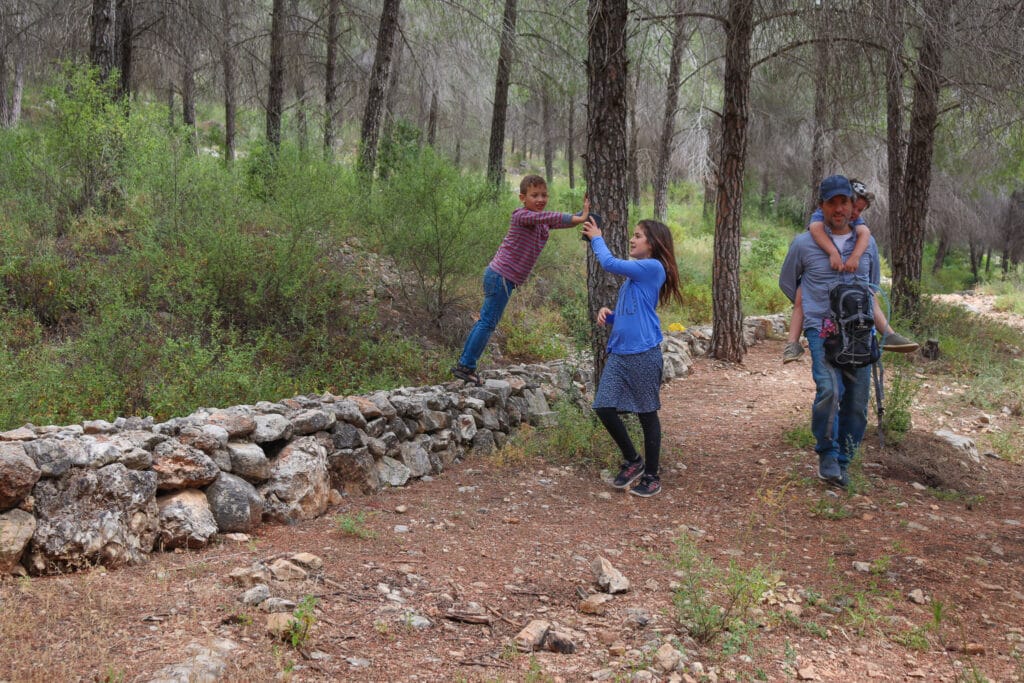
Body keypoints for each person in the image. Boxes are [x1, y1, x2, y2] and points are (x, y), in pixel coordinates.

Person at [779, 174, 880, 488]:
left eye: (844, 202)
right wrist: (809, 306)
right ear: (821, 206)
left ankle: (843, 462)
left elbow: (872, 284)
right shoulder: (803, 243)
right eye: (832, 202)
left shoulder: (867, 243)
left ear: (853, 207)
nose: (839, 208)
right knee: (829, 390)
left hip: (860, 333)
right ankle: (827, 453)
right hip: (821, 330)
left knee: (857, 403)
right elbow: (788, 282)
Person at [452, 175, 590, 385]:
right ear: (522, 197)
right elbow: (550, 217)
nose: (540, 199)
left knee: (486, 321)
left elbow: (557, 221)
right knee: (487, 322)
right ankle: (466, 366)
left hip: (504, 278)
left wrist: (585, 213)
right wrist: (579, 218)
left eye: (544, 195)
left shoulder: (541, 221)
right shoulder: (522, 216)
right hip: (500, 276)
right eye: (534, 195)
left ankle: (466, 365)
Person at [581, 217, 684, 498]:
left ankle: (652, 476)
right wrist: (609, 314)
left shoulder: (653, 267)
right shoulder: (634, 279)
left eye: (638, 236)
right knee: (603, 406)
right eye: (633, 235)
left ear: (652, 243)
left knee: (646, 414)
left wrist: (596, 237)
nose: (632, 239)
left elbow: (609, 263)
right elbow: (633, 313)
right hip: (621, 354)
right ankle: (633, 460)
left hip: (644, 353)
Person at [782, 178, 918, 363]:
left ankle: (888, 333)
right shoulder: (818, 220)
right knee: (801, 295)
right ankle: (792, 343)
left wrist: (855, 256)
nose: (853, 213)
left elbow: (867, 243)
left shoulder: (861, 229)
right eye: (853, 207)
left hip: (858, 320)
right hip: (822, 321)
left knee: (870, 292)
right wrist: (814, 298)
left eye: (859, 210)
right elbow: (814, 231)